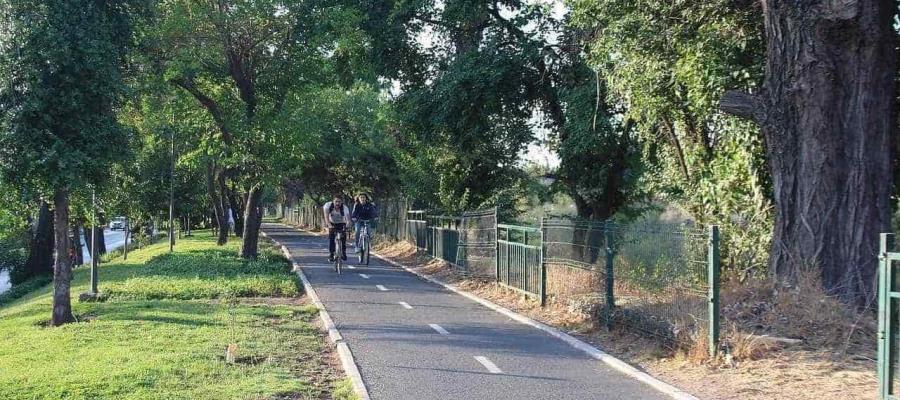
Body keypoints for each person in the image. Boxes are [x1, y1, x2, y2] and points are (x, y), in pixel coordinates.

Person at [323, 196, 351, 262]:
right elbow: (326, 217)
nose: (337, 203)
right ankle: (331, 254)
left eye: (339, 202)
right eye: (336, 201)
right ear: (333, 201)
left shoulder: (344, 208)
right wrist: (329, 225)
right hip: (332, 223)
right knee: (331, 239)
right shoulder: (327, 206)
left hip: (341, 223)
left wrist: (347, 226)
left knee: (343, 238)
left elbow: (348, 220)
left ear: (341, 202)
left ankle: (343, 252)